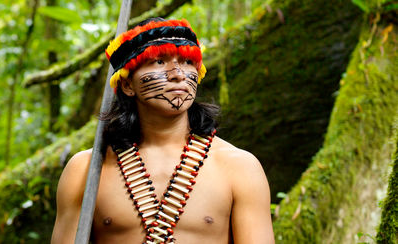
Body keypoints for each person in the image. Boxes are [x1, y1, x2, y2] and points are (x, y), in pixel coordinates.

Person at [52, 18, 274, 244]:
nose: (178, 73)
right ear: (128, 85)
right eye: (159, 61)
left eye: (187, 61)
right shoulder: (86, 170)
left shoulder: (239, 167)